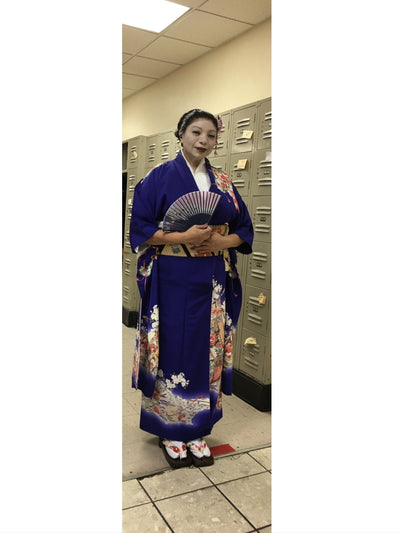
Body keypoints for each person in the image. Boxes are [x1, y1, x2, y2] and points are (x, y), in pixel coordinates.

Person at [129, 109, 254, 468]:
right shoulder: (157, 177)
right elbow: (141, 228)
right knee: (171, 346)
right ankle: (170, 428)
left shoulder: (224, 183)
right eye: (196, 132)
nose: (203, 140)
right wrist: (181, 236)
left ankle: (198, 428)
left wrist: (221, 242)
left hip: (211, 278)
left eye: (211, 135)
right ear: (181, 134)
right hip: (171, 276)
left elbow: (244, 229)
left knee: (206, 349)